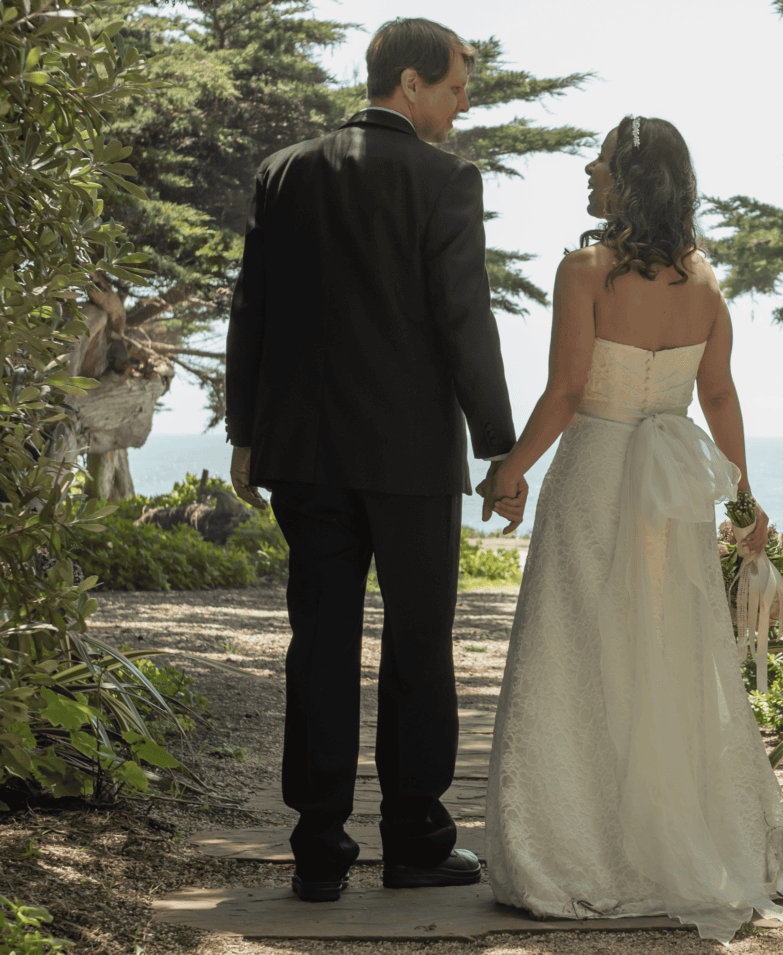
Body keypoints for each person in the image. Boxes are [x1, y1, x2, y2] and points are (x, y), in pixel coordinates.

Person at [481, 116, 783, 945]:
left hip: (596, 477)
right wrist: (743, 503)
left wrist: (509, 470)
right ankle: (668, 843)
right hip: (672, 493)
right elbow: (720, 396)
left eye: (600, 161)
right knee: (663, 652)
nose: (588, 170)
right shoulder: (705, 283)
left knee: (573, 650)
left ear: (628, 182)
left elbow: (566, 390)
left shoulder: (583, 271)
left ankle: (578, 855)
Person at [224, 17, 525, 903]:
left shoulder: (283, 172)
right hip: (410, 458)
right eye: (455, 87)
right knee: (418, 645)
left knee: (318, 642)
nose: (462, 104)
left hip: (306, 453)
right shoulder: (445, 179)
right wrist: (499, 444)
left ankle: (318, 850)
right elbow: (465, 316)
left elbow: (252, 308)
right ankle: (414, 841)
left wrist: (246, 431)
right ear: (410, 82)